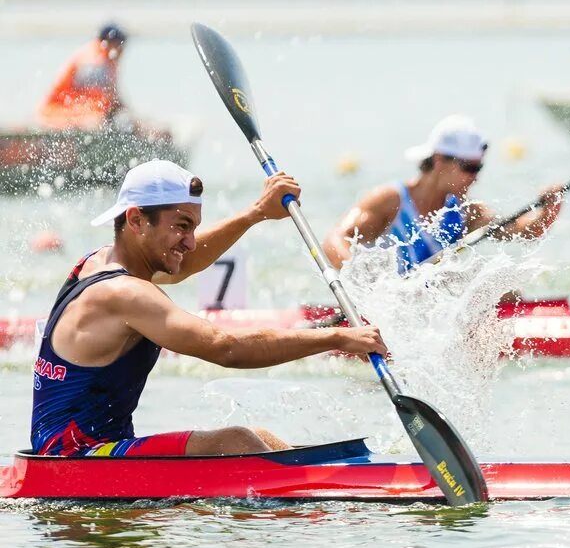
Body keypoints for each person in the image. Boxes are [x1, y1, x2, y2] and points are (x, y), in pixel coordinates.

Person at [30, 159, 387, 458]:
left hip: (88, 452)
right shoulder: (124, 294)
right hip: (75, 458)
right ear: (137, 220)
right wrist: (336, 336)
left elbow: (184, 263)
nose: (189, 241)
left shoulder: (98, 263)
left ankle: (331, 490)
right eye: (181, 227)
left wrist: (257, 213)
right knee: (237, 442)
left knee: (263, 439)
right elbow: (225, 348)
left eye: (193, 228)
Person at [322, 114, 562, 271]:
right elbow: (334, 241)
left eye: (479, 167)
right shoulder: (390, 200)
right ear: (439, 160)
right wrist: (361, 284)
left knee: (507, 295)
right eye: (469, 167)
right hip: (386, 304)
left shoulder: (466, 211)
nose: (475, 175)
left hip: (427, 307)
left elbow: (527, 230)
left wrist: (550, 209)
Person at [39, 24, 130, 131]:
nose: (122, 51)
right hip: (59, 113)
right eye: (121, 46)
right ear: (112, 43)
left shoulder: (107, 60)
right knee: (105, 122)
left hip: (77, 114)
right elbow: (92, 100)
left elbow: (113, 99)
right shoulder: (94, 62)